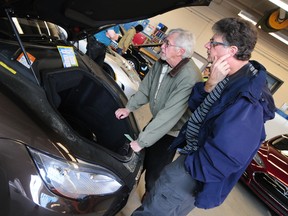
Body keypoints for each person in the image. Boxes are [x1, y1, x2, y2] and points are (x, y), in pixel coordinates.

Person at [131, 17, 276, 216]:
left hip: (194, 170)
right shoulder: (227, 77)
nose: (207, 45)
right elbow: (196, 107)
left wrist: (189, 169)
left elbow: (230, 154)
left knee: (152, 210)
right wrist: (209, 85)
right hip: (191, 159)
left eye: (214, 42)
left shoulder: (248, 96)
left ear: (231, 50)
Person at [115, 28, 203, 200]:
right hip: (159, 120)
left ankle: (150, 194)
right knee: (139, 155)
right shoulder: (162, 62)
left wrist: (142, 141)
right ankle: (131, 183)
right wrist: (129, 107)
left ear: (180, 51)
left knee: (156, 167)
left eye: (167, 43)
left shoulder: (190, 77)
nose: (162, 46)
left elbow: (170, 115)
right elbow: (146, 88)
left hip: (172, 130)